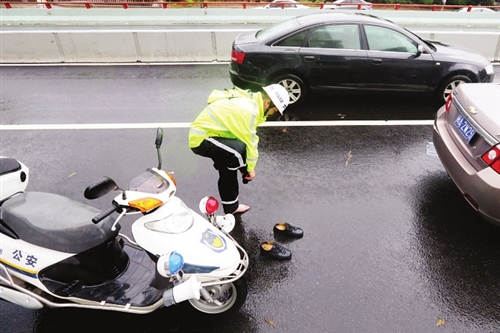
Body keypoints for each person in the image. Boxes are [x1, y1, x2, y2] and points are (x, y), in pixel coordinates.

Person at [189, 84, 290, 215]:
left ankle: (231, 206)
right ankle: (232, 204)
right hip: (202, 139)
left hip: (216, 134)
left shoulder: (252, 99)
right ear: (268, 103)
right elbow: (251, 142)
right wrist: (249, 170)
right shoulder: (250, 110)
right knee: (237, 153)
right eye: (274, 110)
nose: (272, 113)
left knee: (228, 167)